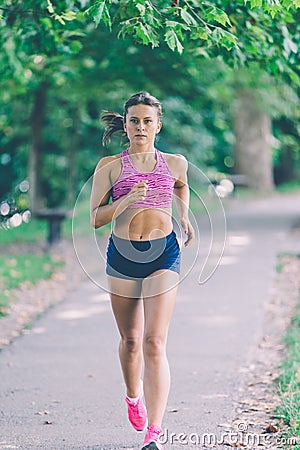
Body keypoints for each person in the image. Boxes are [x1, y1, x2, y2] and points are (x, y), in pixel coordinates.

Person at [90, 92, 194, 450]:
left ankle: (155, 430)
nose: (141, 127)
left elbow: (181, 187)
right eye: (134, 120)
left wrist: (182, 215)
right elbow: (95, 218)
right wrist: (125, 202)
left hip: (163, 254)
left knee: (154, 341)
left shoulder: (175, 163)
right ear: (125, 124)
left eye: (148, 121)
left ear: (158, 126)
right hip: (122, 256)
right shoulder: (110, 166)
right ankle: (133, 396)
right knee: (131, 341)